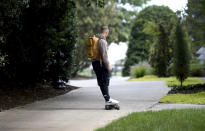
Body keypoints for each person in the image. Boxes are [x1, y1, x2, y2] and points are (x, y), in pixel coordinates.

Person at [92, 26, 119, 106]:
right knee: (105, 81)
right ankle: (108, 100)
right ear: (106, 32)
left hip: (95, 63)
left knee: (101, 81)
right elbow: (104, 56)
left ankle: (107, 98)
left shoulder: (95, 40)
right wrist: (108, 66)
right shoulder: (102, 41)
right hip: (101, 63)